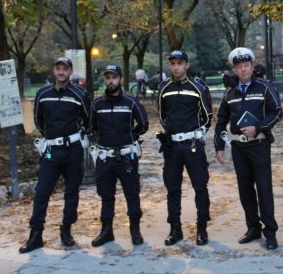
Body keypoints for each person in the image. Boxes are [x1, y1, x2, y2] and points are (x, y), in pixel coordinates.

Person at [19, 57, 90, 254]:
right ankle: (36, 234)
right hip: (51, 150)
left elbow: (87, 120)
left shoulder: (80, 94)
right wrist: (52, 137)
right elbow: (38, 121)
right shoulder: (43, 93)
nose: (61, 72)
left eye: (64, 69)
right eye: (58, 68)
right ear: (53, 71)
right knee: (42, 191)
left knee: (72, 191)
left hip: (73, 149)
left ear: (70, 71)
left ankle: (66, 229)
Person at [214, 47, 283, 250]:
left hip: (260, 145)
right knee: (245, 191)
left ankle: (270, 233)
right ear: (235, 70)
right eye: (239, 67)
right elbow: (221, 121)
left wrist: (258, 127)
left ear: (252, 67)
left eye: (246, 66)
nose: (243, 70)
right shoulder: (230, 93)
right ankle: (253, 228)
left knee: (263, 189)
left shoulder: (265, 87)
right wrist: (219, 146)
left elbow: (277, 112)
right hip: (238, 147)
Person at [156, 50, 212, 246]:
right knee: (172, 188)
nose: (176, 67)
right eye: (172, 63)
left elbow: (207, 116)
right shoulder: (164, 87)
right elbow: (162, 115)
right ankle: (175, 229)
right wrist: (171, 129)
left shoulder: (198, 87)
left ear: (187, 65)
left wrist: (195, 132)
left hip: (192, 144)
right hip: (172, 146)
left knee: (200, 187)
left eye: (180, 63)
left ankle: (202, 228)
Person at [90, 64, 149, 247]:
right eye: (107, 78)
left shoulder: (130, 102)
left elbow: (144, 124)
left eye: (114, 77)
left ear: (121, 79)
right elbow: (92, 127)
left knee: (132, 195)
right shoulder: (97, 104)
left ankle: (135, 231)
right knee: (106, 196)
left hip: (126, 157)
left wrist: (131, 136)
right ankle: (107, 231)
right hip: (105, 157)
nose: (110, 81)